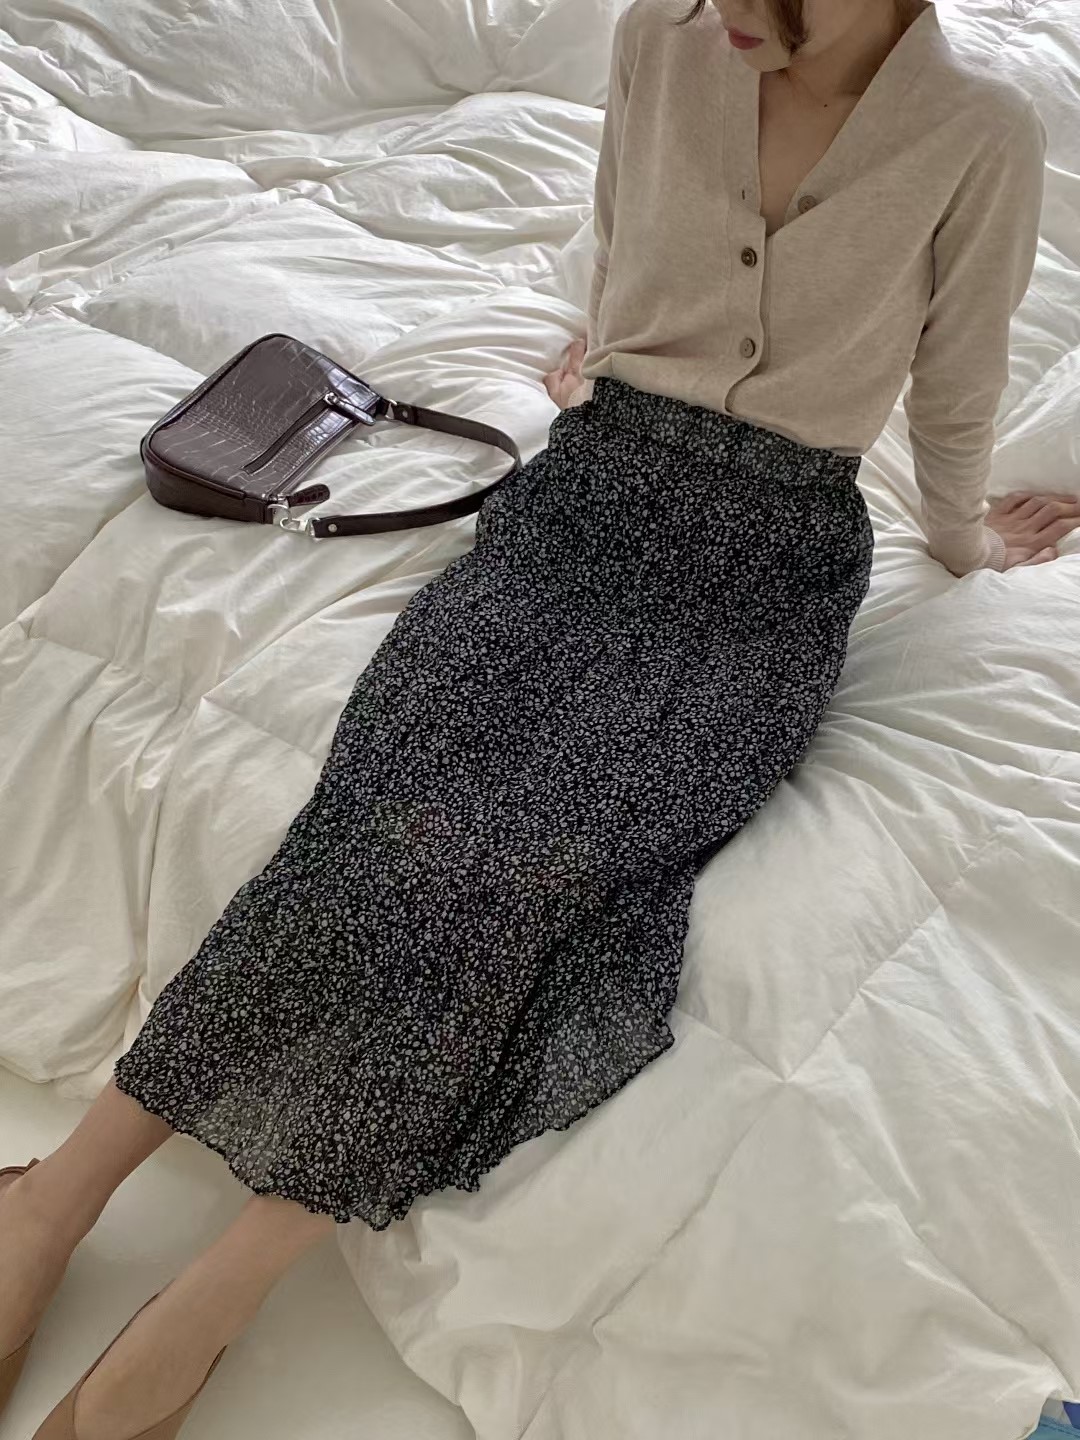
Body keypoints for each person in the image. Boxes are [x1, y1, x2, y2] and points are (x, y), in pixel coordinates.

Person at [2, 1, 1077, 1437]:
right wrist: (607, 358)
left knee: (537, 879)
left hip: (763, 575)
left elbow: (956, 382)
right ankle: (52, 1201)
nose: (727, 10)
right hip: (589, 502)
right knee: (386, 814)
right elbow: (623, 236)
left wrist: (966, 542)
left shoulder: (979, 131)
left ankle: (212, 1296)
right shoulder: (662, 38)